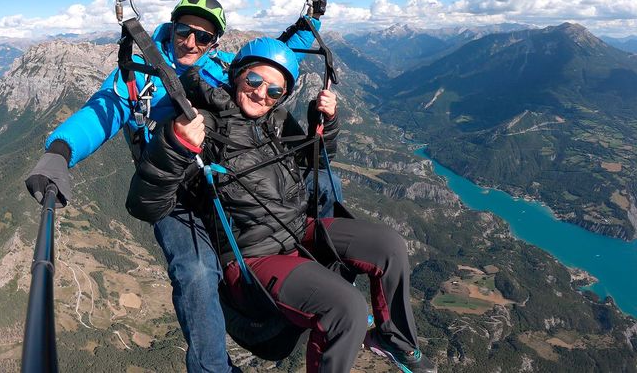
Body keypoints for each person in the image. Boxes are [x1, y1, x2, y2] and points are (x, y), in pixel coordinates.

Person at [24, 0, 337, 373]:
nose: (191, 43)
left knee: (319, 183)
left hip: (209, 183)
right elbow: (102, 111)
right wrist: (60, 152)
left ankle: (323, 267)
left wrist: (312, 22)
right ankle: (211, 368)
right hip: (168, 191)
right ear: (172, 29)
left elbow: (266, 68)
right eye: (184, 32)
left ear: (214, 43)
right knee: (196, 271)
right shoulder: (142, 73)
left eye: (202, 38)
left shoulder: (214, 69)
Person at [127, 38, 436, 373]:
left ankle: (394, 339)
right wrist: (175, 146)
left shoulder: (275, 120)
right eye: (254, 82)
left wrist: (324, 123)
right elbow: (146, 204)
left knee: (388, 244)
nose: (262, 95)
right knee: (347, 307)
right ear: (237, 78)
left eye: (275, 91)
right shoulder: (204, 125)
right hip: (254, 255)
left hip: (297, 228)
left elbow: (313, 163)